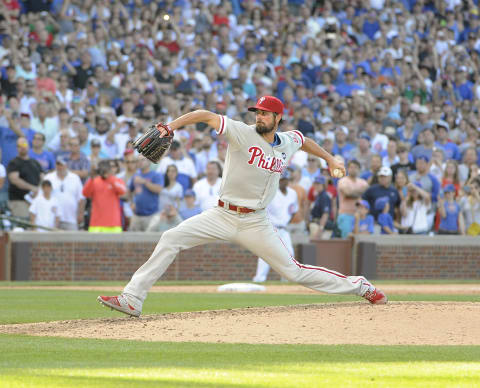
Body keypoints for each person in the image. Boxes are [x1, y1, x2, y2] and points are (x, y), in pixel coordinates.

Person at [98, 95, 387, 317]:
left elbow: (304, 140)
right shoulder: (241, 132)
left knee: (293, 271)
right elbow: (205, 115)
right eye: (257, 112)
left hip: (255, 222)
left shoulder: (287, 141)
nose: (259, 117)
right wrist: (170, 126)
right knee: (171, 237)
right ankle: (132, 298)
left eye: (265, 113)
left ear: (278, 117)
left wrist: (331, 159)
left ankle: (359, 285)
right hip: (221, 214)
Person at [252, 169, 298, 283]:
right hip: (271, 227)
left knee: (290, 254)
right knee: (266, 254)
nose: (283, 182)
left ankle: (286, 281)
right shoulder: (271, 192)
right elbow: (261, 209)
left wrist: (286, 222)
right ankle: (259, 279)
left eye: (285, 180)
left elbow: (293, 211)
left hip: (284, 229)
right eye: (281, 180)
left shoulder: (292, 193)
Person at [82, 160, 126, 233]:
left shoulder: (116, 180)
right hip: (96, 225)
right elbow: (85, 193)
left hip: (113, 224)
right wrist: (91, 178)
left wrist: (110, 178)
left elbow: (122, 191)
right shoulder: (94, 181)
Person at [44, 156, 85, 230]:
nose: (60, 167)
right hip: (51, 218)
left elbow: (81, 198)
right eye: (58, 164)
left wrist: (80, 214)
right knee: (51, 241)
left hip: (71, 218)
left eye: (62, 164)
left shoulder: (75, 178)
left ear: (67, 165)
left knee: (72, 241)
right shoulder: (48, 178)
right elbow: (42, 197)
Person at [7, 137, 43, 219]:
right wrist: (33, 188)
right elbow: (14, 179)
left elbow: (43, 177)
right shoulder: (14, 162)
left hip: (35, 201)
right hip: (19, 201)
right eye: (19, 145)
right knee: (22, 226)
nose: (22, 147)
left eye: (24, 144)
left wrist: (38, 190)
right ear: (17, 148)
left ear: (29, 146)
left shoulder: (35, 162)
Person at [129, 156, 163, 232]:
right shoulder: (135, 176)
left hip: (152, 215)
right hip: (136, 215)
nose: (140, 162)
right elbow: (129, 191)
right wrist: (131, 203)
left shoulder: (156, 175)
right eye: (138, 160)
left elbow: (158, 189)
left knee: (151, 241)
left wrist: (144, 182)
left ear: (149, 162)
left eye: (142, 160)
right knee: (133, 241)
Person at [336, 159, 369, 238]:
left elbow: (366, 190)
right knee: (347, 238)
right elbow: (348, 193)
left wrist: (352, 192)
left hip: (359, 215)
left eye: (355, 167)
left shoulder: (362, 182)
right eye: (351, 167)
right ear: (347, 168)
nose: (353, 169)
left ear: (359, 169)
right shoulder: (343, 181)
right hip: (345, 215)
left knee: (359, 239)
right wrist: (360, 192)